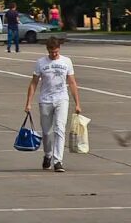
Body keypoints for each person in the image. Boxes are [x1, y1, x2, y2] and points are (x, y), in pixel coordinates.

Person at [24, 36, 81, 173]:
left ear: (59, 49)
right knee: (46, 132)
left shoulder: (67, 61)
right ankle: (48, 155)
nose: (54, 54)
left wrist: (77, 103)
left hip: (62, 99)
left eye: (56, 52)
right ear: (47, 50)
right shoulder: (40, 62)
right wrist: (28, 103)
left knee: (59, 129)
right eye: (51, 52)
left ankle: (58, 161)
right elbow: (34, 83)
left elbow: (72, 82)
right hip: (45, 100)